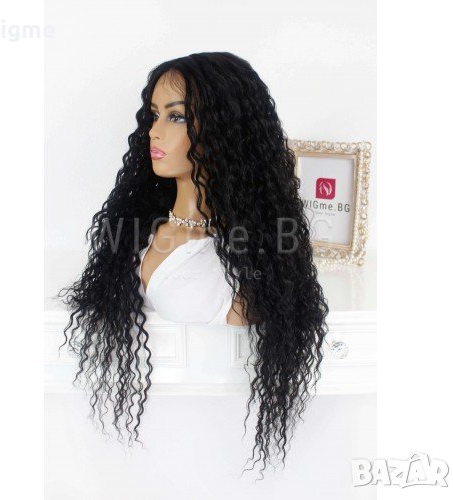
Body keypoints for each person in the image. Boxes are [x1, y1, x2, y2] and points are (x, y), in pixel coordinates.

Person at [55, 51, 330, 478]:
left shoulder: (245, 259)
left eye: (177, 117)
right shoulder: (137, 229)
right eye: (154, 115)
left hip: (207, 450)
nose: (155, 131)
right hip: (136, 452)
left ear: (224, 128)